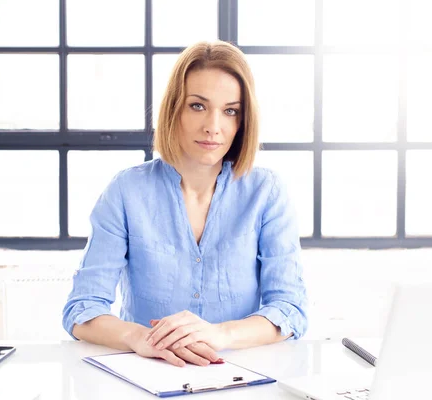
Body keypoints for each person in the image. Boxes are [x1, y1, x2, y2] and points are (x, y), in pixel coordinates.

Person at [62, 40, 308, 368]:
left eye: (230, 111)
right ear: (174, 108)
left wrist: (220, 334)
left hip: (241, 375)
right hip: (148, 375)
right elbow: (82, 309)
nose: (213, 126)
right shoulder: (126, 191)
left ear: (242, 121)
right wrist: (139, 338)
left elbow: (290, 309)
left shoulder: (266, 191)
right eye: (197, 106)